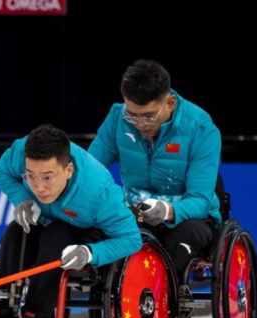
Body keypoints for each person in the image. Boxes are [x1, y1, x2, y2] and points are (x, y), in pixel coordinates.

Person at [0, 124, 141, 318]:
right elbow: (2, 171)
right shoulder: (22, 152)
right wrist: (22, 200)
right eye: (31, 176)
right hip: (49, 221)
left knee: (58, 236)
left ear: (68, 169)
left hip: (85, 234)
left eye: (48, 177)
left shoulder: (99, 193)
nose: (38, 186)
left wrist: (91, 252)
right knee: (16, 231)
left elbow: (132, 239)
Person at [87, 58, 223, 284]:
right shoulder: (117, 119)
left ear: (169, 103)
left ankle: (165, 307)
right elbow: (90, 173)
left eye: (148, 116)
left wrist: (167, 210)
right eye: (133, 115)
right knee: (101, 232)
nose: (140, 123)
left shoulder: (202, 128)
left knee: (181, 239)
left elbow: (200, 200)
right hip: (136, 212)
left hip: (190, 219)